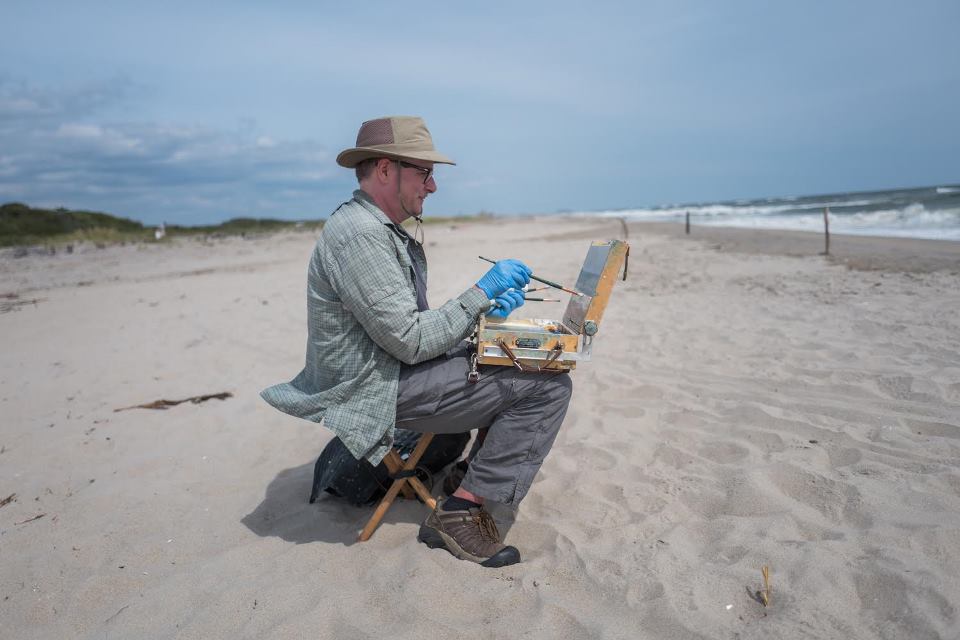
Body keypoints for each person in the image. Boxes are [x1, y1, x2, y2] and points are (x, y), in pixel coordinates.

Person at [261, 115, 572, 567]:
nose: (432, 186)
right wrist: (480, 293)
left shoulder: (371, 228)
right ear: (385, 169)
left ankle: (471, 476)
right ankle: (461, 511)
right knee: (547, 386)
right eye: (424, 172)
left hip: (385, 371)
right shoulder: (361, 236)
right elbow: (409, 340)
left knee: (511, 359)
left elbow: (408, 328)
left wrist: (484, 313)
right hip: (371, 389)